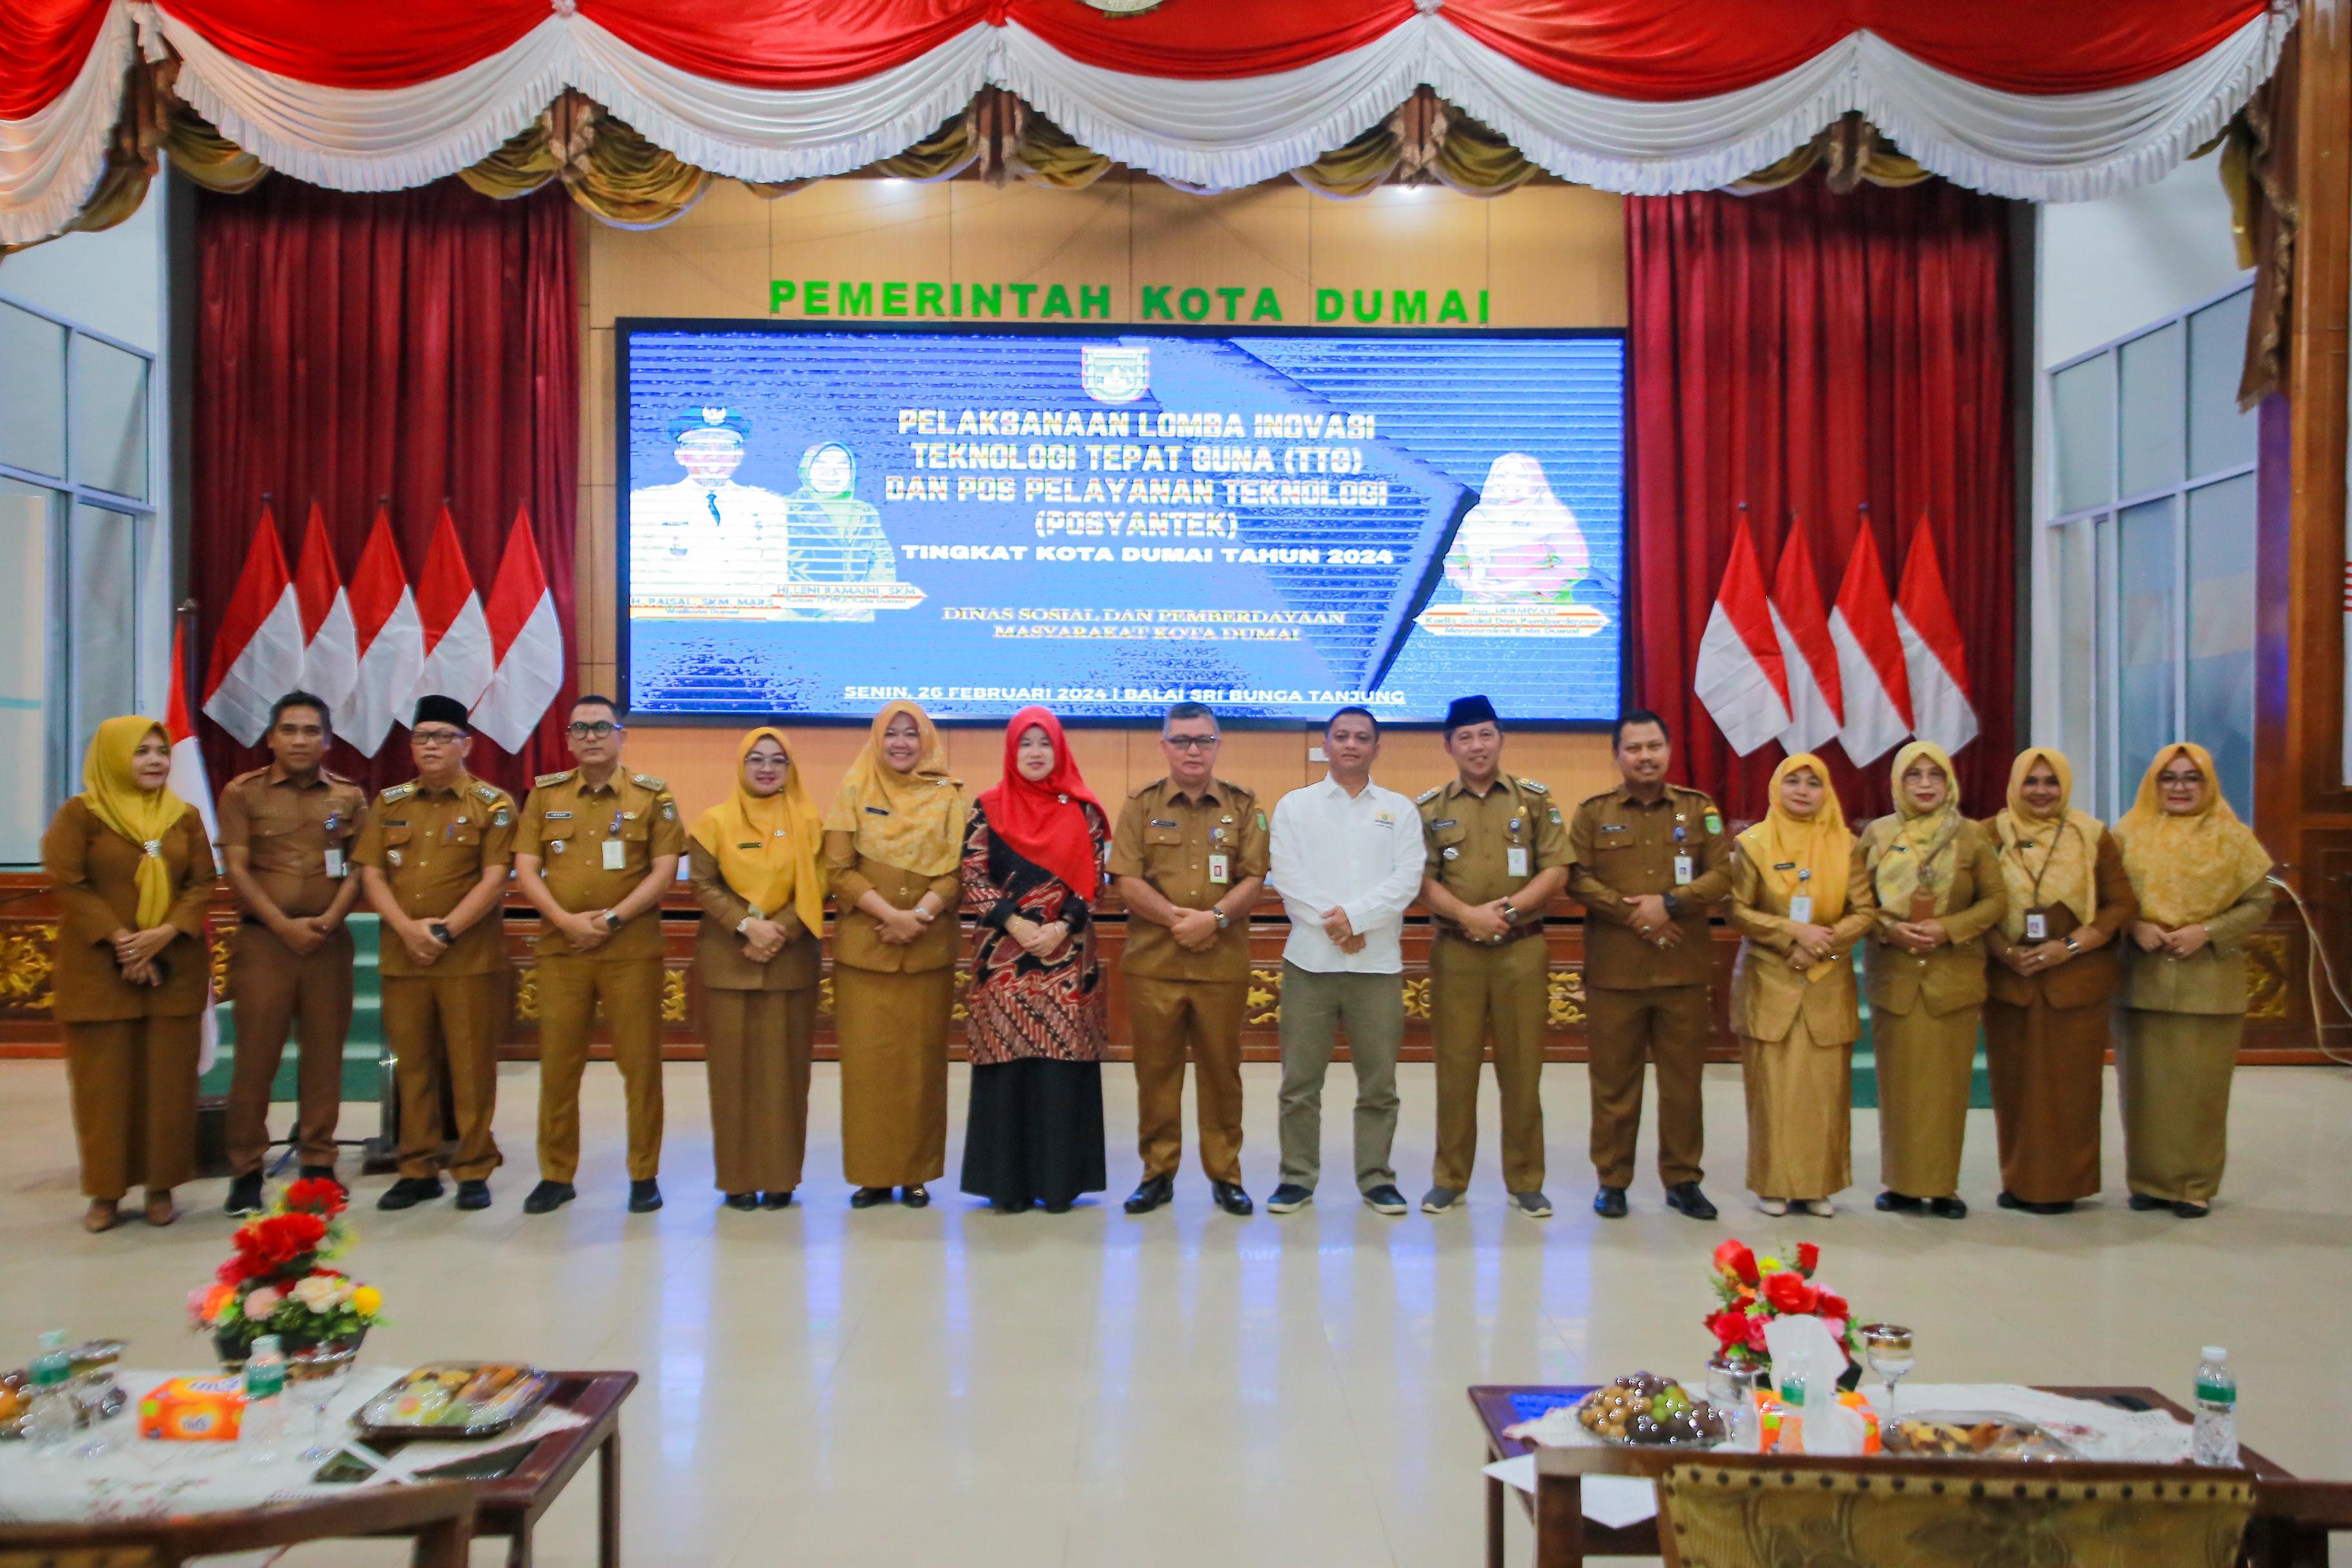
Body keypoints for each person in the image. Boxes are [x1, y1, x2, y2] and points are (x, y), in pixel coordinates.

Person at [42, 717, 215, 1231]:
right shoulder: (81, 815)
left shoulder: (183, 817)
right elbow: (68, 883)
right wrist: (122, 941)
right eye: (141, 752)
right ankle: (105, 1192)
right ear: (114, 757)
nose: (156, 761)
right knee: (104, 1089)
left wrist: (162, 935)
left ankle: (161, 1187)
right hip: (99, 972)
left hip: (173, 969)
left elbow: (203, 883)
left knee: (168, 1087)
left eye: (161, 751)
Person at [513, 696, 685, 1214]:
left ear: (621, 735)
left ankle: (643, 1173)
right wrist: (565, 922)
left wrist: (612, 920)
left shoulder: (651, 796)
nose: (591, 737)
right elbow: (525, 867)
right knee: (559, 1067)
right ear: (568, 738)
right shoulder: (545, 797)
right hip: (562, 950)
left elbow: (663, 869)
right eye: (580, 729)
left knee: (639, 1067)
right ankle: (557, 1174)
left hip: (630, 950)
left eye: (602, 727)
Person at [355, 697, 518, 1212]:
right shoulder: (390, 802)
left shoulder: (492, 804)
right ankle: (417, 1167)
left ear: (466, 745)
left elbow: (495, 879)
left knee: (471, 1067)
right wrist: (407, 929)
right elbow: (373, 874)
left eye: (443, 736)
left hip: (466, 958)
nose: (430, 746)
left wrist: (445, 932)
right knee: (412, 1067)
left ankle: (472, 1167)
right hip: (404, 957)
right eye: (422, 736)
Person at [1567, 709, 1730, 1222]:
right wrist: (1636, 914)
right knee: (1614, 1084)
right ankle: (1613, 1181)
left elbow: (1724, 872)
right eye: (1634, 748)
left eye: (1653, 746)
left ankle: (1683, 1180)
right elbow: (1577, 880)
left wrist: (1671, 903)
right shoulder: (1593, 813)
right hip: (1616, 974)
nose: (1645, 756)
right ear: (1617, 755)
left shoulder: (1699, 809)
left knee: (1683, 1086)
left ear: (1668, 750)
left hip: (1682, 971)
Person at [1108, 701, 1270, 1217]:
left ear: (1218, 744)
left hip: (1221, 964)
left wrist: (1214, 920)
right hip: (1155, 963)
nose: (1193, 750)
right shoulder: (1140, 803)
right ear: (1165, 746)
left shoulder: (1243, 805)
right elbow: (1126, 880)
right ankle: (1158, 1173)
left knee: (1223, 1072)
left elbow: (1254, 876)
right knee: (1156, 1074)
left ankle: (1226, 1174)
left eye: (1203, 740)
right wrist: (1176, 919)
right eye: (1181, 740)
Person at [1416, 694, 1571, 1218]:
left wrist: (1504, 911)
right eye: (1465, 737)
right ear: (1448, 746)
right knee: (1455, 1069)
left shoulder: (1533, 800)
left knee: (1523, 1068)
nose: (1477, 746)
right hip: (1457, 953)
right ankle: (1449, 1179)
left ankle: (1526, 1180)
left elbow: (1556, 870)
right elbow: (1423, 880)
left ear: (1500, 738)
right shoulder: (1431, 808)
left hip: (1521, 951)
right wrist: (1467, 915)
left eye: (1485, 735)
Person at [1264, 707, 1424, 1217]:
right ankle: (1296, 1179)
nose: (1351, 744)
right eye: (1342, 736)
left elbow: (1406, 881)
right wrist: (1337, 925)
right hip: (1309, 964)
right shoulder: (1296, 806)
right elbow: (1287, 876)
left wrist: (1353, 920)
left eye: (1362, 737)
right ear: (1326, 745)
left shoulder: (1400, 810)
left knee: (1379, 1084)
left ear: (1378, 747)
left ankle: (1377, 1179)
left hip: (1376, 967)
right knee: (1299, 1084)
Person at [2110, 742, 2275, 1219]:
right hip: (2141, 979)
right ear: (2153, 784)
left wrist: (2207, 932)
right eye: (2169, 778)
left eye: (2191, 778)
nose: (2179, 787)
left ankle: (2194, 1185)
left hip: (2209, 982)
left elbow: (2258, 903)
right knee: (2142, 1089)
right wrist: (2134, 926)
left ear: (2208, 784)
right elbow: (2108, 896)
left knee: (2201, 1091)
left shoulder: (2234, 837)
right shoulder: (2128, 833)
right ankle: (2148, 1181)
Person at [217, 692, 367, 1215]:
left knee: (325, 1059)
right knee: (255, 1061)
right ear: (271, 737)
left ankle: (319, 1165)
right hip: (265, 944)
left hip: (328, 944)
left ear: (327, 740)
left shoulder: (348, 796)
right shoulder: (243, 793)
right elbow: (236, 867)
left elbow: (360, 866)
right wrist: (282, 925)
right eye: (290, 730)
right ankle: (246, 1171)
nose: (300, 740)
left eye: (311, 731)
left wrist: (329, 920)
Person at [959, 705, 1112, 1213]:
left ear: (1059, 749)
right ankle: (1008, 1184)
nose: (1035, 754)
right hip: (1003, 960)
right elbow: (972, 876)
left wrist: (1059, 927)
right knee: (1008, 1063)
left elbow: (1092, 882)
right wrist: (1017, 925)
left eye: (1044, 743)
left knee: (1058, 1067)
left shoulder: (1084, 810)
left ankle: (1060, 1182)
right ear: (1011, 750)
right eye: (1025, 744)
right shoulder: (987, 806)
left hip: (1066, 960)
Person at [822, 700, 968, 1208]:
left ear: (926, 740)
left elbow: (958, 871)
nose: (902, 744)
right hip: (868, 951)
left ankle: (916, 1174)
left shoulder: (948, 795)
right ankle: (872, 1174)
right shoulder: (854, 790)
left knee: (921, 1069)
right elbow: (838, 870)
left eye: (911, 734)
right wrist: (889, 914)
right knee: (868, 1070)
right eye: (892, 734)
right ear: (877, 740)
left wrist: (920, 916)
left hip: (928, 952)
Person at [1981, 747, 2136, 1214]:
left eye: (2051, 782)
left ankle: (2064, 1185)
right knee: (2015, 1086)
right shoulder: (1990, 834)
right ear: (2016, 785)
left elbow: (2119, 905)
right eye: (2032, 781)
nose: (2042, 791)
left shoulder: (2092, 836)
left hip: (2076, 981)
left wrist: (2067, 948)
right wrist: (2006, 952)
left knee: (2071, 1088)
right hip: (2012, 980)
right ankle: (2018, 1180)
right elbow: (1970, 901)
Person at [1857, 740, 2005, 1218]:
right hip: (1896, 978)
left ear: (1949, 783)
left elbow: (1994, 901)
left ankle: (1943, 1187)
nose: (1924, 784)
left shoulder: (1972, 836)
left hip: (1951, 980)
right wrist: (1889, 928)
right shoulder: (1877, 835)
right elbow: (1855, 902)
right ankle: (1900, 1183)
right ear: (1897, 783)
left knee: (1946, 1089)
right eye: (1913, 775)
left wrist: (1949, 929)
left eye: (1934, 775)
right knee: (1898, 1087)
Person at [1727, 753, 1874, 1217]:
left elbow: (1865, 911)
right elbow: (1736, 909)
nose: (1803, 791)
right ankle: (1772, 1183)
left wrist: (1821, 945)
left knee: (1823, 1090)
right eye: (1794, 782)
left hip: (1827, 981)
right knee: (1772, 1088)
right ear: (1777, 788)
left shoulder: (1846, 845)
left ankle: (1817, 1187)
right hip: (1770, 979)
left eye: (1814, 783)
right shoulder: (1753, 844)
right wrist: (1793, 935)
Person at [689, 727, 826, 1211]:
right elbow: (704, 886)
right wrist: (747, 926)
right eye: (756, 760)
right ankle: (737, 1179)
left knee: (785, 1077)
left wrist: (778, 932)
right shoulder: (714, 821)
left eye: (778, 761)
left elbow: (818, 886)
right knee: (732, 1077)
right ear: (741, 766)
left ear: (791, 769)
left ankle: (781, 1178)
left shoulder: (810, 822)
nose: (767, 769)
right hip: (730, 961)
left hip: (790, 963)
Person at [628, 406, 792, 609]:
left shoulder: (767, 506)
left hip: (749, 626)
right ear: (681, 456)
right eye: (702, 448)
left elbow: (775, 580)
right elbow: (634, 580)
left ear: (738, 457)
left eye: (724, 448)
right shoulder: (646, 504)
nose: (714, 458)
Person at [779, 441, 900, 620]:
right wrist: (819, 604)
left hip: (857, 618)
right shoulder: (783, 508)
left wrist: (866, 601)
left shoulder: (865, 512)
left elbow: (883, 561)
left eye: (842, 466)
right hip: (800, 618)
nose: (831, 473)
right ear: (806, 469)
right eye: (821, 464)